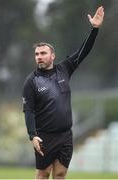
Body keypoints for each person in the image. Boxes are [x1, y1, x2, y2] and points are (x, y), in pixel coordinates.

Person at [22, 6, 104, 179]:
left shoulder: (64, 69)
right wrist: (32, 135)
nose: (39, 57)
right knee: (43, 174)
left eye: (43, 53)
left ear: (53, 56)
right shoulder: (32, 81)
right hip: (45, 136)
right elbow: (28, 110)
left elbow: (83, 51)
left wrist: (94, 29)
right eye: (36, 54)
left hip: (66, 135)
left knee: (60, 174)